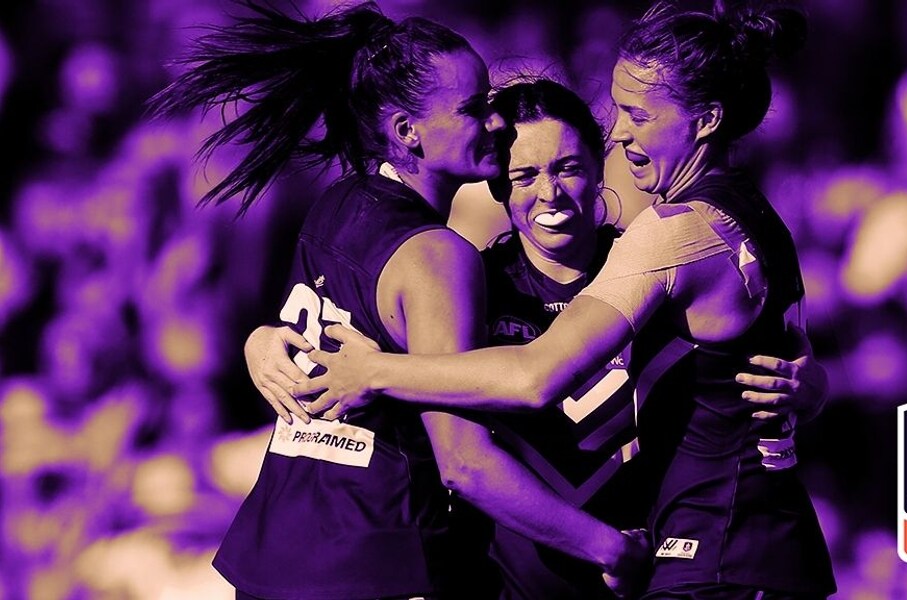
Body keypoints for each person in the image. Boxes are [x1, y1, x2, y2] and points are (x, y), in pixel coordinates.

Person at [289, 3, 837, 598]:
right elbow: (453, 451)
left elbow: (534, 376)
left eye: (570, 165)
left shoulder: (662, 248)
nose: (550, 191)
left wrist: (373, 372)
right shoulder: (469, 285)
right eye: (523, 175)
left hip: (694, 557)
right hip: (558, 577)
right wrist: (265, 343)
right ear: (497, 186)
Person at [149, 3, 648, 599]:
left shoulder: (336, 203)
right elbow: (464, 463)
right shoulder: (440, 257)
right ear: (407, 130)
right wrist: (610, 548)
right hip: (377, 560)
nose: (495, 122)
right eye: (472, 108)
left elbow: (305, 343)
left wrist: (260, 342)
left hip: (273, 553)